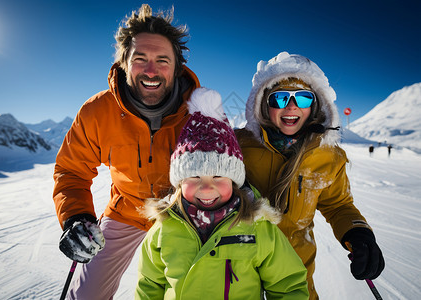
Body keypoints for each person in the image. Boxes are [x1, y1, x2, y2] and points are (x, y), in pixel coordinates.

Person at [53, 4, 200, 299]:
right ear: (123, 63)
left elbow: (225, 171)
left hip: (183, 213)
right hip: (127, 211)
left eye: (162, 60)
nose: (150, 70)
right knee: (86, 295)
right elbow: (71, 170)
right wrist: (76, 217)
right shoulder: (98, 112)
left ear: (177, 66)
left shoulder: (198, 109)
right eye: (140, 58)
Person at [235, 52, 385, 299]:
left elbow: (338, 205)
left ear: (315, 106)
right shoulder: (240, 144)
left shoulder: (328, 156)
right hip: (240, 266)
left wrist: (358, 234)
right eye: (281, 98)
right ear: (264, 104)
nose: (292, 106)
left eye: (303, 98)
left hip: (294, 271)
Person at [135, 87, 309, 299]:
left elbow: (287, 285)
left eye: (218, 176)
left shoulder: (258, 227)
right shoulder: (164, 228)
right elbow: (149, 285)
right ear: (179, 183)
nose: (207, 188)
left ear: (234, 181)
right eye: (195, 177)